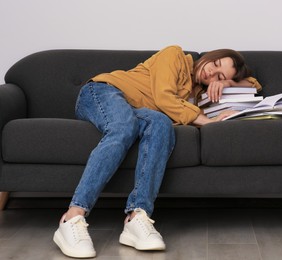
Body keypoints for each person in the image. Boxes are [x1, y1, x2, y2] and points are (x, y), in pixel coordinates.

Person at [53, 45, 261, 258]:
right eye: (215, 64)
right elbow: (163, 98)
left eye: (218, 75)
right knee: (123, 127)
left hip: (136, 111)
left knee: (162, 123)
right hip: (104, 92)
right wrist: (206, 122)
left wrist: (226, 82)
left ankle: (137, 216)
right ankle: (72, 217)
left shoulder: (199, 93)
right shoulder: (175, 55)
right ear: (210, 56)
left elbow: (255, 85)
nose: (211, 73)